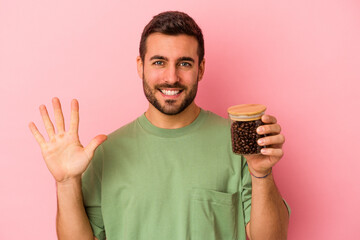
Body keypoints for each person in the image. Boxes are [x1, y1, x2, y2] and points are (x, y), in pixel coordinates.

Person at [29, 11, 289, 240]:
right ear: (140, 67)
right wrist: (66, 183)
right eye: (159, 62)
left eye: (184, 63)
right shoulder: (106, 152)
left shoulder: (238, 145)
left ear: (201, 69)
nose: (171, 77)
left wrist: (261, 173)